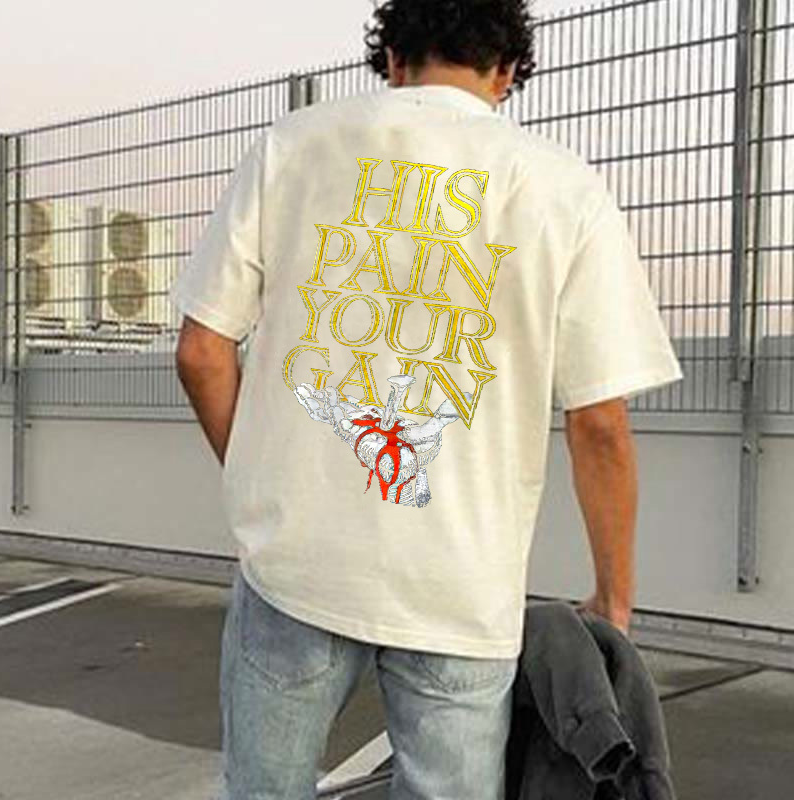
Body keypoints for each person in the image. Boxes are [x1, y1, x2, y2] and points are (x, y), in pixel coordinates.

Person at [170, 0, 684, 797]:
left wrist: (259, 484)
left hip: (294, 565)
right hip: (461, 589)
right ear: (507, 72)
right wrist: (613, 597)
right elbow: (600, 424)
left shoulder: (296, 145)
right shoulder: (563, 187)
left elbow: (202, 351)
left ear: (393, 59)